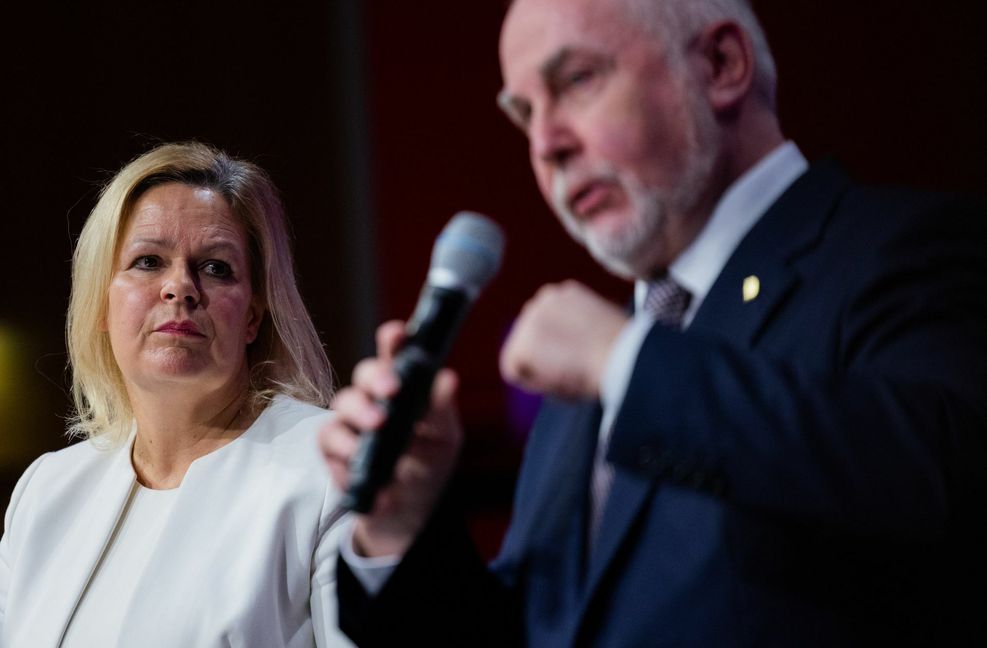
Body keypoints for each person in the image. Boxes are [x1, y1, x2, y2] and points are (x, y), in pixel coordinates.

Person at [322, 0, 987, 645]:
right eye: (525, 114)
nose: (545, 144)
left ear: (721, 64)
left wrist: (626, 364)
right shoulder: (584, 386)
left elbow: (938, 479)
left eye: (576, 80)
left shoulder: (907, 249)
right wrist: (402, 528)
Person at [0, 142, 355, 647]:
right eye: (148, 261)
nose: (180, 288)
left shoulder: (329, 470)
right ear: (101, 302)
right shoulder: (47, 492)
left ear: (253, 316)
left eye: (216, 268)